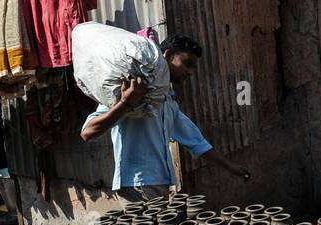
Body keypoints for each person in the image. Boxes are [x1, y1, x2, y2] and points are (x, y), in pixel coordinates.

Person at [80, 34, 249, 202]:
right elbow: (87, 132)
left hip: (160, 182)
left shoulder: (166, 98)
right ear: (167, 55)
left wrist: (231, 168)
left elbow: (196, 142)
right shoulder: (132, 89)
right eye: (187, 64)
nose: (190, 72)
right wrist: (125, 103)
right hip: (137, 184)